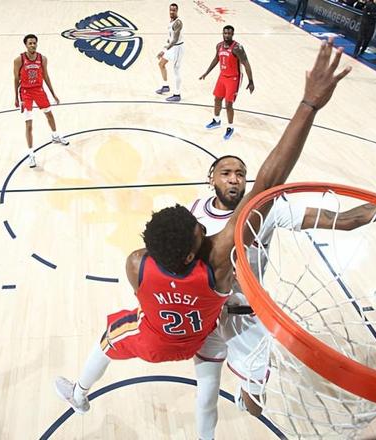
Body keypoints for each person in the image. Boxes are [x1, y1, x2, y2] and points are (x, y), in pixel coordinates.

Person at [54, 39, 352, 415]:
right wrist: (309, 104)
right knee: (219, 388)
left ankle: (80, 392)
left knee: (114, 342)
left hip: (171, 334)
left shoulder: (138, 264)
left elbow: (154, 277)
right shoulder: (217, 258)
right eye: (199, 230)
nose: (203, 227)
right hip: (213, 324)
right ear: (193, 252)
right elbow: (270, 180)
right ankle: (233, 410)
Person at [191, 155, 376, 440]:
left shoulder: (265, 210)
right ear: (212, 178)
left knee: (255, 407)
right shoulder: (195, 212)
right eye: (226, 173)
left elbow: (348, 220)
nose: (234, 179)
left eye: (240, 173)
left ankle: (247, 392)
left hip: (246, 319)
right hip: (208, 316)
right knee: (206, 395)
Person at [13, 34, 69, 169]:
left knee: (49, 114)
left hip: (39, 90)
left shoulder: (42, 59)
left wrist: (53, 94)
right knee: (29, 124)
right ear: (26, 45)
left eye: (34, 43)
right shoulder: (19, 60)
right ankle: (31, 154)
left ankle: (55, 136)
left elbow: (46, 76)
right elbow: (15, 79)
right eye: (30, 43)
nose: (33, 45)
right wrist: (16, 97)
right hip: (25, 93)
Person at [199, 25, 255, 141]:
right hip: (222, 76)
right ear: (222, 33)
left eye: (229, 33)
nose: (227, 35)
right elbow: (216, 59)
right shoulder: (219, 46)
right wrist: (206, 72)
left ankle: (230, 127)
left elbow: (246, 64)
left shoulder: (237, 48)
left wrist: (251, 81)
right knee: (217, 99)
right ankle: (216, 120)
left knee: (228, 104)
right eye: (225, 33)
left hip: (234, 78)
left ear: (232, 34)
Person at [155, 3, 184, 102]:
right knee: (161, 64)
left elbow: (175, 40)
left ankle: (177, 94)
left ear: (177, 11)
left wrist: (164, 50)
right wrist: (164, 48)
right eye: (170, 10)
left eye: (174, 10)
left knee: (176, 70)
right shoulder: (171, 21)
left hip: (178, 48)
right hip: (171, 48)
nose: (172, 12)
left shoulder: (178, 23)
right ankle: (165, 86)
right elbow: (170, 39)